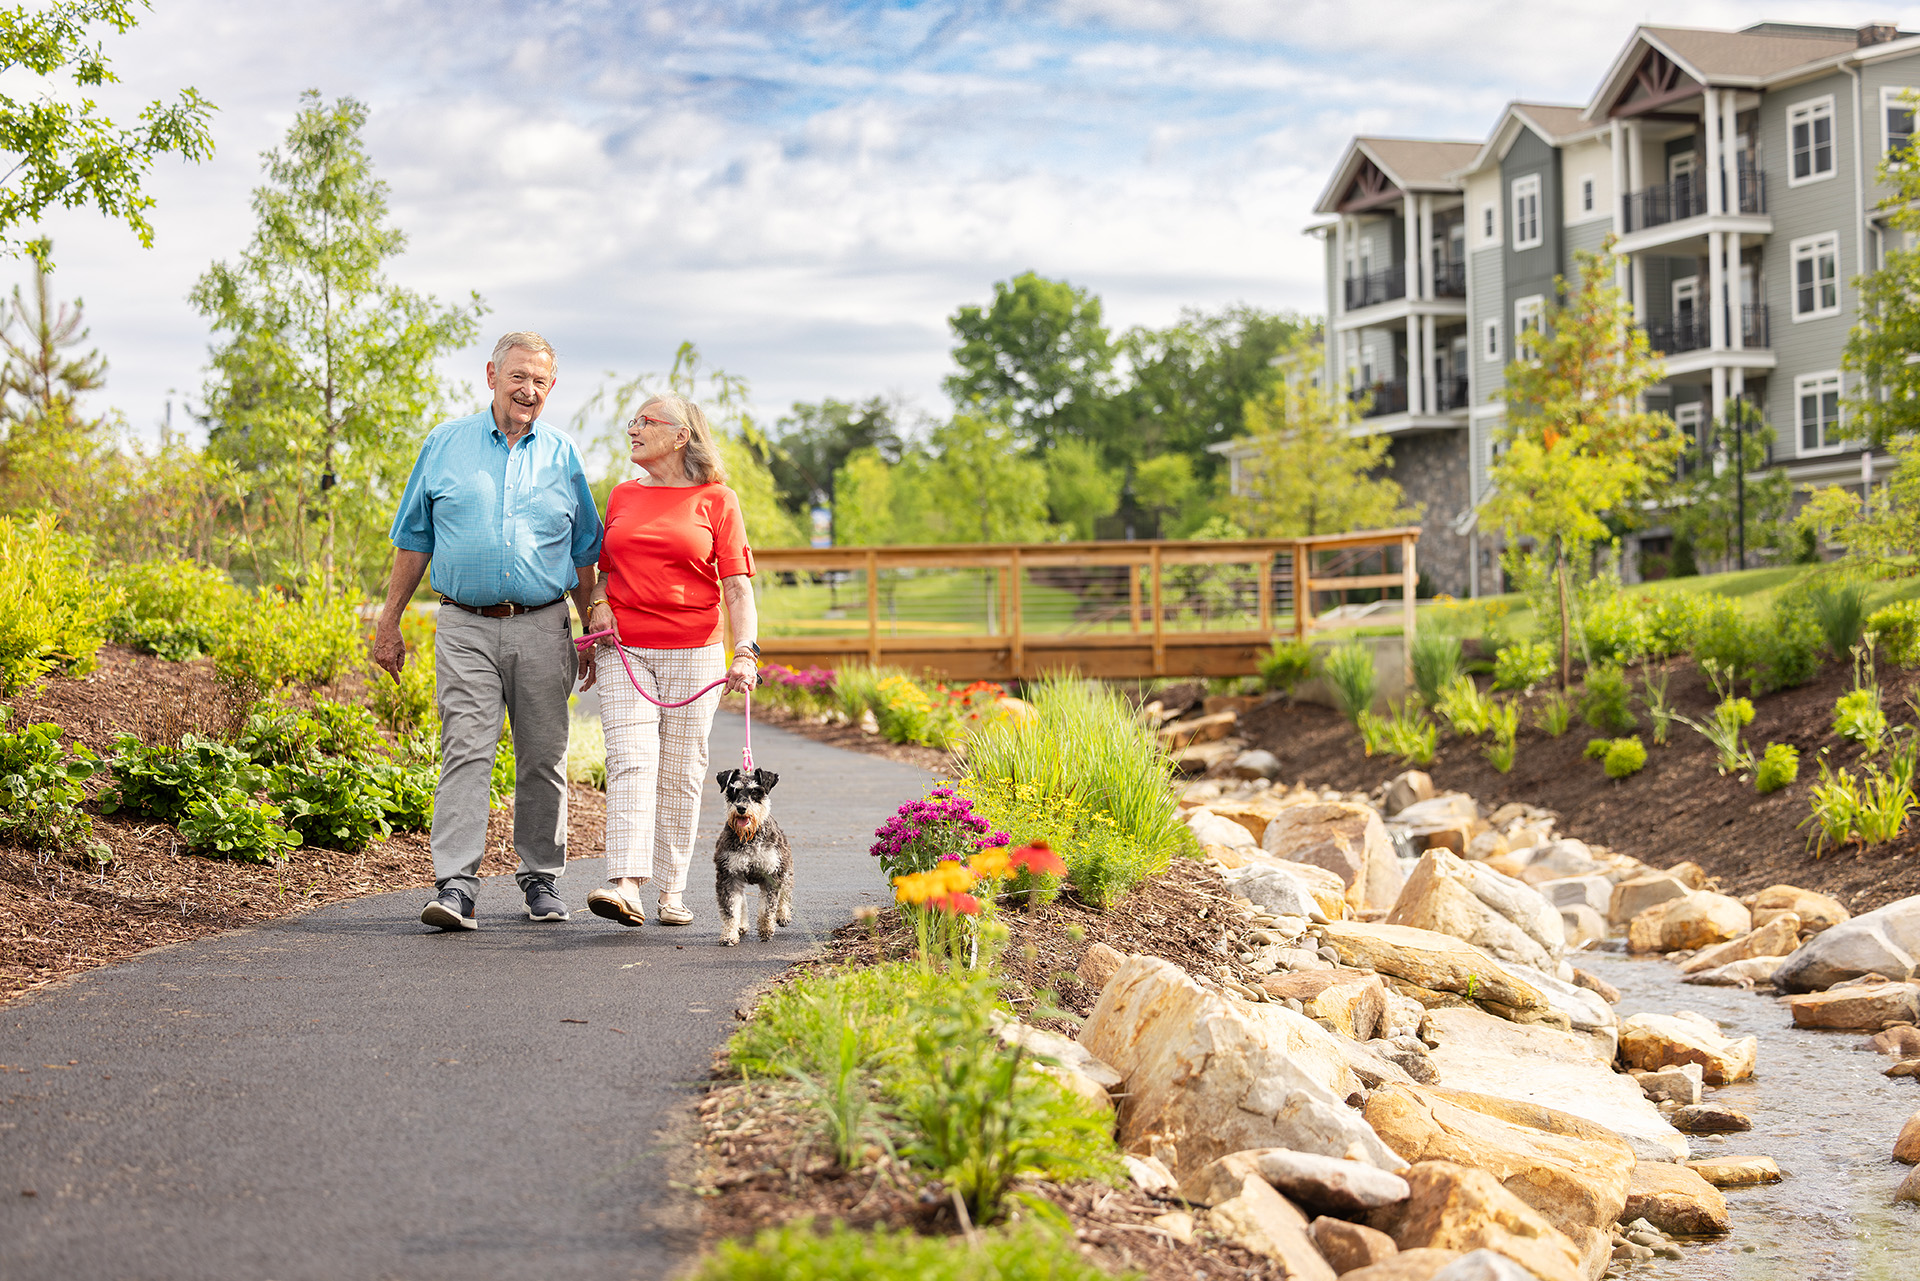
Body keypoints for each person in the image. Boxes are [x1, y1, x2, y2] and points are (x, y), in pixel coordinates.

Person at [373, 332, 604, 932]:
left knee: (543, 757)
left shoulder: (563, 455)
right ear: (491, 375)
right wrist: (389, 618)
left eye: (541, 382)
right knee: (467, 752)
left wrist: (591, 625)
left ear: (551, 389)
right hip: (464, 625)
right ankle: (456, 886)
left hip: (543, 625)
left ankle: (541, 878)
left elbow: (584, 552)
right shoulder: (444, 445)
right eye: (518, 377)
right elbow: (413, 538)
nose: (528, 390)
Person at [580, 394, 759, 927]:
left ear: (682, 436)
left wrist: (745, 651)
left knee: (682, 772)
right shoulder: (621, 495)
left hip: (696, 651)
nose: (632, 428)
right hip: (626, 647)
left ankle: (672, 890)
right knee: (631, 759)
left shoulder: (717, 500)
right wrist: (597, 605)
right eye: (632, 420)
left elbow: (739, 588)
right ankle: (627, 884)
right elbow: (605, 571)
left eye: (645, 421)